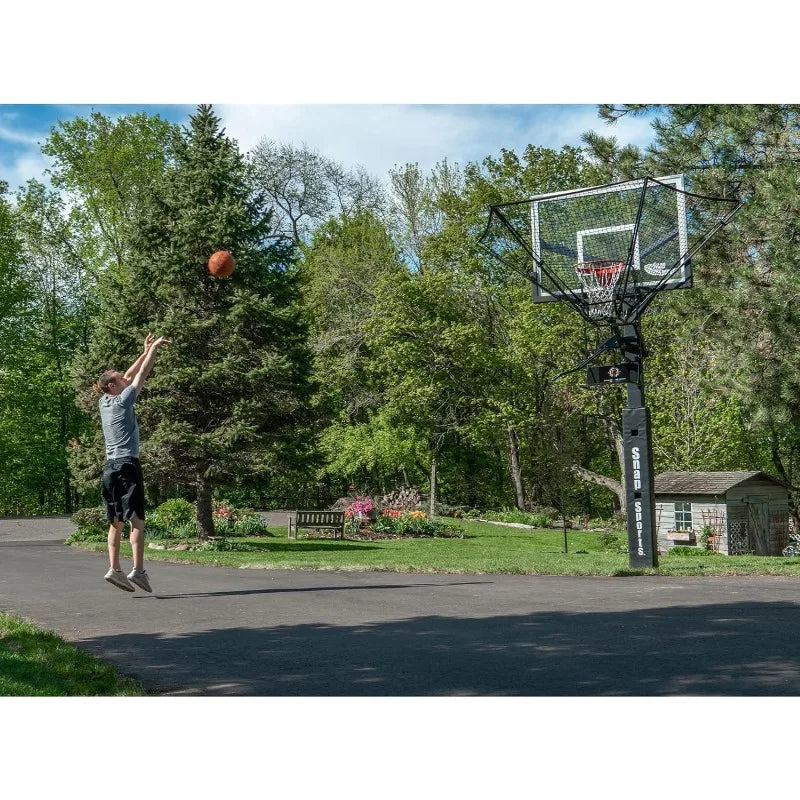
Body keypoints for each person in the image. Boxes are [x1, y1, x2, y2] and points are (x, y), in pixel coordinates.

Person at [95, 332, 170, 592]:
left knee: (115, 521)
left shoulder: (104, 402)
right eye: (119, 379)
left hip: (109, 469)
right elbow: (142, 374)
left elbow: (129, 373)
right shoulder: (125, 400)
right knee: (137, 520)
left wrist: (144, 349)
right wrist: (154, 350)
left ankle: (114, 569)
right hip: (128, 466)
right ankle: (138, 571)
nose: (124, 379)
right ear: (113, 386)